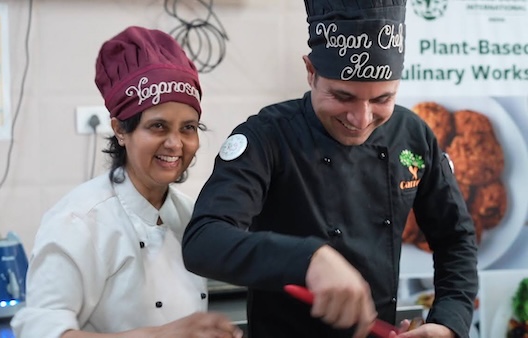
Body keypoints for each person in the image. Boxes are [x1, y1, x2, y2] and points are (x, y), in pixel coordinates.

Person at [181, 1, 478, 338]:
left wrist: (448, 322)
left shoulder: (413, 135)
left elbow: (455, 238)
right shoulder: (266, 136)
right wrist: (309, 258)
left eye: (382, 99)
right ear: (311, 72)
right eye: (343, 96)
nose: (361, 119)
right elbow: (203, 240)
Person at [11, 26, 243, 338]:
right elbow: (39, 331)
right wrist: (160, 335)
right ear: (121, 130)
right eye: (158, 126)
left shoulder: (189, 215)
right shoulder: (79, 221)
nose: (176, 144)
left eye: (188, 127)